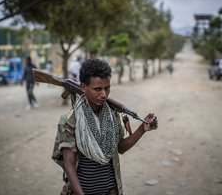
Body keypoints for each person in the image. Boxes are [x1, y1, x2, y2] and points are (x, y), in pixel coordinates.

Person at [52, 59, 158, 195]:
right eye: (97, 89)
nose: (104, 94)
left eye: (107, 88)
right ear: (83, 87)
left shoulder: (112, 115)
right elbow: (69, 164)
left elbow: (120, 147)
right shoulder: (70, 120)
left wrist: (142, 129)